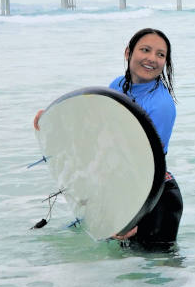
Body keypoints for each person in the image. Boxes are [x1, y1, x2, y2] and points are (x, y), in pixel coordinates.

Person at [34, 27, 182, 248]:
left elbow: (145, 166)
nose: (152, 58)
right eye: (145, 50)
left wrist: (132, 214)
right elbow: (97, 134)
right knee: (126, 274)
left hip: (154, 200)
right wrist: (51, 122)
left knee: (156, 275)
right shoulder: (117, 87)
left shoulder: (161, 106)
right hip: (127, 188)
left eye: (161, 55)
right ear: (128, 53)